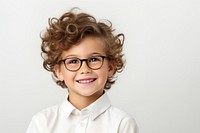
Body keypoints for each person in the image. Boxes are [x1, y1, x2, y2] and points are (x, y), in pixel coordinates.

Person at [26, 8, 139, 133]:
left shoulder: (122, 124)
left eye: (94, 59)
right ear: (59, 71)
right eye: (73, 61)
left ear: (111, 67)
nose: (84, 69)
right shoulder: (42, 122)